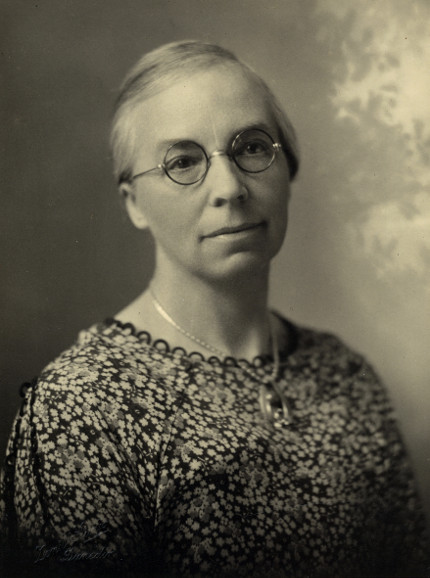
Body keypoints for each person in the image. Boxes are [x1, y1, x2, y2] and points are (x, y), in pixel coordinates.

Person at [0, 40, 428, 578]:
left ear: (287, 169)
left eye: (251, 148)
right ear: (134, 203)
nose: (230, 188)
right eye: (182, 161)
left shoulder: (345, 376)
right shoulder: (83, 405)